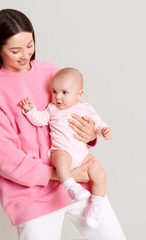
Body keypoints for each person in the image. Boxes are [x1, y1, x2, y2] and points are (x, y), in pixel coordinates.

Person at [0, 9, 126, 239]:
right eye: (15, 50)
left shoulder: (49, 70)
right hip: (33, 197)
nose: (25, 55)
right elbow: (6, 159)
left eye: (30, 45)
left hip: (79, 187)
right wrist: (64, 175)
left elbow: (74, 114)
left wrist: (90, 132)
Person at [20, 67, 112, 228]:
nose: (58, 97)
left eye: (64, 92)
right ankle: (71, 187)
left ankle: (96, 206)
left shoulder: (85, 107)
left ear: (79, 94)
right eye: (54, 92)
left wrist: (103, 129)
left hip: (83, 155)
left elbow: (96, 123)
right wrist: (30, 111)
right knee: (62, 161)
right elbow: (40, 120)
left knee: (100, 175)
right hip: (61, 150)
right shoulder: (52, 109)